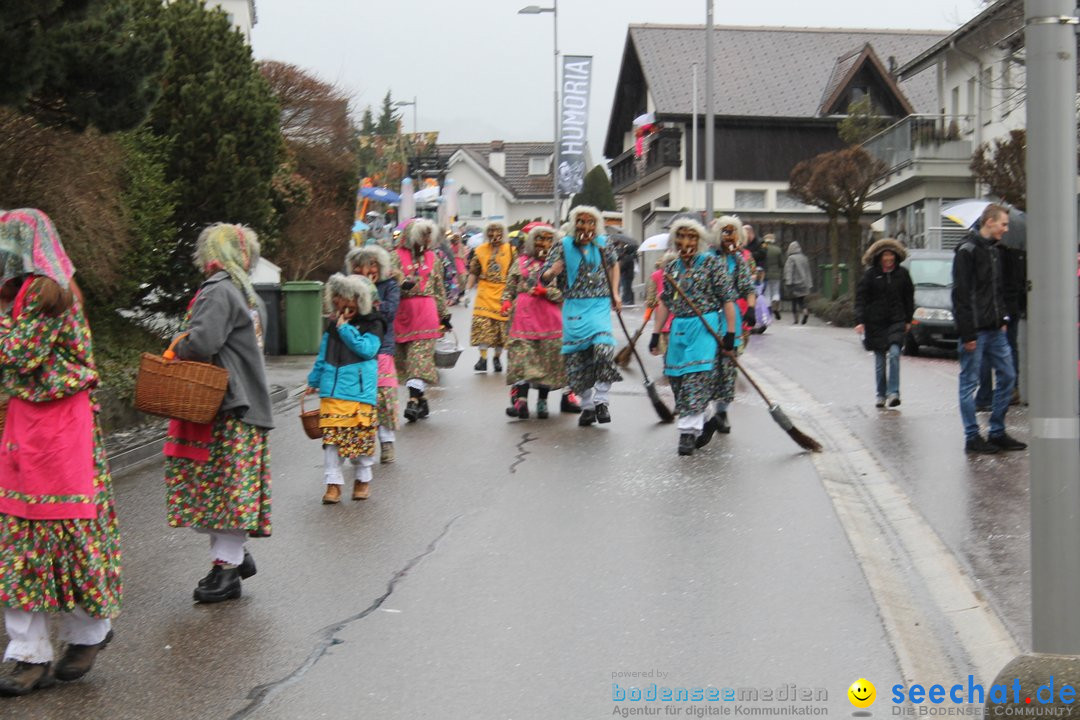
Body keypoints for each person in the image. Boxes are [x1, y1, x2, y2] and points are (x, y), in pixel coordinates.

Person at [0, 209, 121, 695]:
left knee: (61, 535)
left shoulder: (44, 293)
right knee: (30, 539)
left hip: (58, 429)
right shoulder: (37, 292)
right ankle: (35, 650)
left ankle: (76, 638)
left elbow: (20, 355)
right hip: (38, 426)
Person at [164, 223, 273, 604]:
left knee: (223, 491)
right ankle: (232, 557)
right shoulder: (247, 293)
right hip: (249, 403)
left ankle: (226, 570)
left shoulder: (218, 290)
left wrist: (178, 346)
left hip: (227, 405)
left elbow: (203, 343)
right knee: (230, 489)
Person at [650, 217, 737, 456]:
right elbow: (665, 304)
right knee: (677, 380)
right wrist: (655, 333)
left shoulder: (710, 264)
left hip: (705, 326)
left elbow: (727, 300)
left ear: (698, 240)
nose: (685, 242)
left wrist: (730, 333)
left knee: (695, 378)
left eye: (691, 237)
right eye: (681, 236)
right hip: (679, 328)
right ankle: (707, 420)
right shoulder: (671, 268)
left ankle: (687, 433)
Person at [953, 203, 1026, 454]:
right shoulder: (967, 251)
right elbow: (961, 295)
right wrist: (968, 333)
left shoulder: (995, 252)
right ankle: (972, 437)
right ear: (989, 222)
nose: (1006, 229)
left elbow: (996, 291)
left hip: (995, 329)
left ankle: (996, 431)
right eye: (1003, 224)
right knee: (969, 383)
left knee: (1008, 376)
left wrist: (1003, 319)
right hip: (975, 330)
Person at [540, 205, 623, 426]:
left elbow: (615, 266)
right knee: (580, 357)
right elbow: (544, 278)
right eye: (581, 222)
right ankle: (586, 406)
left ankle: (601, 400)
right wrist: (553, 272)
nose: (585, 227)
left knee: (603, 349)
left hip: (599, 304)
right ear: (574, 224)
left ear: (596, 225)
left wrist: (615, 292)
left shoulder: (604, 243)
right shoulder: (563, 245)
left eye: (590, 222)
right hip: (574, 306)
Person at [306, 274, 383, 503]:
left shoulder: (374, 323)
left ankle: (362, 479)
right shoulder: (332, 325)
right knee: (332, 441)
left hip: (358, 394)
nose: (343, 302)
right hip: (332, 392)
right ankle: (333, 485)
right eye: (339, 297)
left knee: (359, 441)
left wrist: (345, 329)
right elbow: (323, 355)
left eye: (348, 297)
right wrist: (314, 380)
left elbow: (368, 350)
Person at [502, 224, 572, 419]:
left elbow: (565, 293)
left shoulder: (559, 265)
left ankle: (542, 402)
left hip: (548, 317)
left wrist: (546, 291)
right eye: (539, 239)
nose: (543, 243)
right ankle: (521, 403)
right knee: (522, 358)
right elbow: (510, 285)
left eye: (548, 239)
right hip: (523, 316)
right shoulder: (521, 262)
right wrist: (506, 301)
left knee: (545, 360)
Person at [346, 244, 401, 464]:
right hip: (352, 348)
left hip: (382, 348)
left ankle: (386, 442)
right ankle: (358, 445)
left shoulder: (390, 286)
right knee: (357, 398)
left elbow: (388, 312)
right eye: (360, 267)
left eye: (371, 265)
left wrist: (369, 297)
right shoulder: (348, 286)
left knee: (383, 396)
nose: (366, 271)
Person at [392, 219, 450, 422]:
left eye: (428, 236)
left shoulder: (433, 258)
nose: (425, 240)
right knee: (407, 361)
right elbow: (388, 284)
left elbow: (439, 288)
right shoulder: (395, 257)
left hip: (426, 312)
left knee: (419, 359)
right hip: (403, 314)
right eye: (422, 235)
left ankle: (413, 403)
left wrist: (444, 315)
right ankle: (422, 399)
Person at [854, 238, 915, 409]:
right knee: (880, 361)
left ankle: (894, 393)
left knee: (895, 354)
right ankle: (881, 394)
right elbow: (861, 299)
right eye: (885, 255)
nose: (888, 259)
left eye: (891, 255)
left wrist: (908, 319)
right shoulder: (870, 275)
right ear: (879, 257)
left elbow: (909, 298)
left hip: (896, 320)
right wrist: (859, 320)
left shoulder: (902, 274)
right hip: (875, 323)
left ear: (895, 257)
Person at [709, 217, 756, 431]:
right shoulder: (706, 258)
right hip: (708, 317)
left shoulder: (738, 261)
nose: (729, 237)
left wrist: (751, 309)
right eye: (725, 232)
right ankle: (700, 408)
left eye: (733, 232)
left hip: (731, 320)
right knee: (708, 365)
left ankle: (722, 411)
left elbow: (748, 287)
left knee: (728, 368)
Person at [975, 232, 1026, 410]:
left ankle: (985, 395)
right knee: (1010, 348)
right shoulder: (1018, 255)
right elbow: (1021, 283)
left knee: (987, 353)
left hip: (995, 311)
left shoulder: (991, 254)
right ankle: (1011, 391)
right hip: (1011, 308)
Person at [467, 221, 514, 373]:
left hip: (503, 291)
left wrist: (516, 292)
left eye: (498, 231)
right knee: (483, 326)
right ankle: (483, 358)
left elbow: (516, 273)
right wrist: (467, 291)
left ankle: (497, 358)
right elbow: (474, 271)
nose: (495, 235)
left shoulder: (511, 250)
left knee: (501, 329)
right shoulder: (480, 250)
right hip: (485, 291)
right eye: (491, 231)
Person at [783, 240, 812, 324]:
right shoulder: (804, 258)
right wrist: (809, 283)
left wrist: (788, 281)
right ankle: (805, 311)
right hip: (804, 283)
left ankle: (796, 320)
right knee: (801, 301)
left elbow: (789, 270)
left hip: (794, 283)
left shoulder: (791, 258)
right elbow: (807, 271)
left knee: (794, 302)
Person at [761, 233, 784, 320]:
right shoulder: (777, 250)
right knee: (776, 291)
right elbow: (781, 263)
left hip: (765, 274)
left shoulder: (763, 249)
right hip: (776, 274)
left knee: (767, 293)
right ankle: (776, 303)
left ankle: (768, 311)